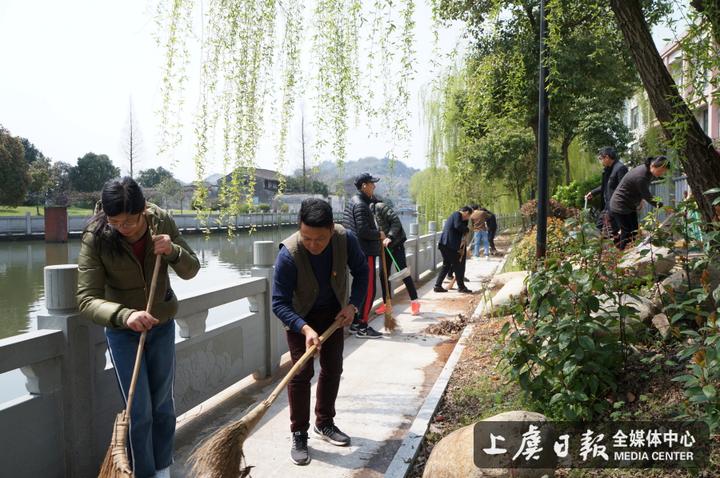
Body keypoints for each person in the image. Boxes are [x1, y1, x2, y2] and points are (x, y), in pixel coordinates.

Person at [77, 177, 200, 478]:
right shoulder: (96, 236)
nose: (124, 227)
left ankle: (163, 468)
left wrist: (172, 252)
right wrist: (124, 315)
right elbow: (86, 299)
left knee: (162, 405)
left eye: (131, 220)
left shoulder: (161, 223)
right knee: (138, 409)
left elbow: (192, 269)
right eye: (116, 221)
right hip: (123, 332)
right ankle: (143, 472)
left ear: (144, 209)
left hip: (161, 325)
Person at [272, 198, 369, 466]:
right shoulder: (288, 254)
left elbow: (362, 272)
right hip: (298, 318)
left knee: (333, 368)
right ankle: (299, 433)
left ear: (332, 229)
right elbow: (278, 302)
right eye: (307, 238)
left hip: (334, 315)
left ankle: (324, 422)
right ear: (299, 229)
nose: (313, 245)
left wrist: (353, 305)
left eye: (320, 239)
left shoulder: (345, 239)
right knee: (301, 374)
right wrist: (303, 329)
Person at [342, 172, 385, 338]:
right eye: (372, 183)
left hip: (358, 250)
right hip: (364, 251)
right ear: (364, 185)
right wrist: (379, 234)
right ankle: (362, 325)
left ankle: (355, 323)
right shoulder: (360, 205)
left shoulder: (355, 201)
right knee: (368, 289)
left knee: (361, 288)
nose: (374, 186)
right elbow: (363, 231)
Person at [371, 197, 421, 315]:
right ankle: (386, 304)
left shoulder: (380, 206)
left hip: (396, 245)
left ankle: (415, 302)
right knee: (383, 275)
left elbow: (396, 222)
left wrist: (390, 237)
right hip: (383, 249)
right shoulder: (368, 213)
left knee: (403, 273)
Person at [609, 155, 670, 250]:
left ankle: (629, 251)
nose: (661, 174)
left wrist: (640, 199)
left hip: (629, 204)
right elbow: (648, 196)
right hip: (620, 204)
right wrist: (663, 207)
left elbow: (639, 189)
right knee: (627, 232)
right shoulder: (641, 175)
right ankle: (622, 255)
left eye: (664, 172)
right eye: (661, 171)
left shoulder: (648, 170)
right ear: (654, 165)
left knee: (634, 231)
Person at [585, 146, 628, 238]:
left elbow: (624, 188)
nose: (600, 161)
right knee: (611, 232)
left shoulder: (620, 168)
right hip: (608, 206)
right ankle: (615, 248)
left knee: (599, 229)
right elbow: (606, 186)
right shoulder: (608, 169)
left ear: (607, 157)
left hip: (614, 206)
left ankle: (592, 249)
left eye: (601, 159)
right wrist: (593, 192)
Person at [434, 206, 473, 294]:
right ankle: (461, 287)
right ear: (466, 212)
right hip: (448, 245)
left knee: (446, 265)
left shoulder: (460, 218)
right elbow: (458, 226)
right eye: (468, 216)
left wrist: (466, 224)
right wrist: (467, 229)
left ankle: (437, 286)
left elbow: (460, 228)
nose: (468, 218)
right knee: (457, 265)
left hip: (445, 245)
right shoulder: (457, 214)